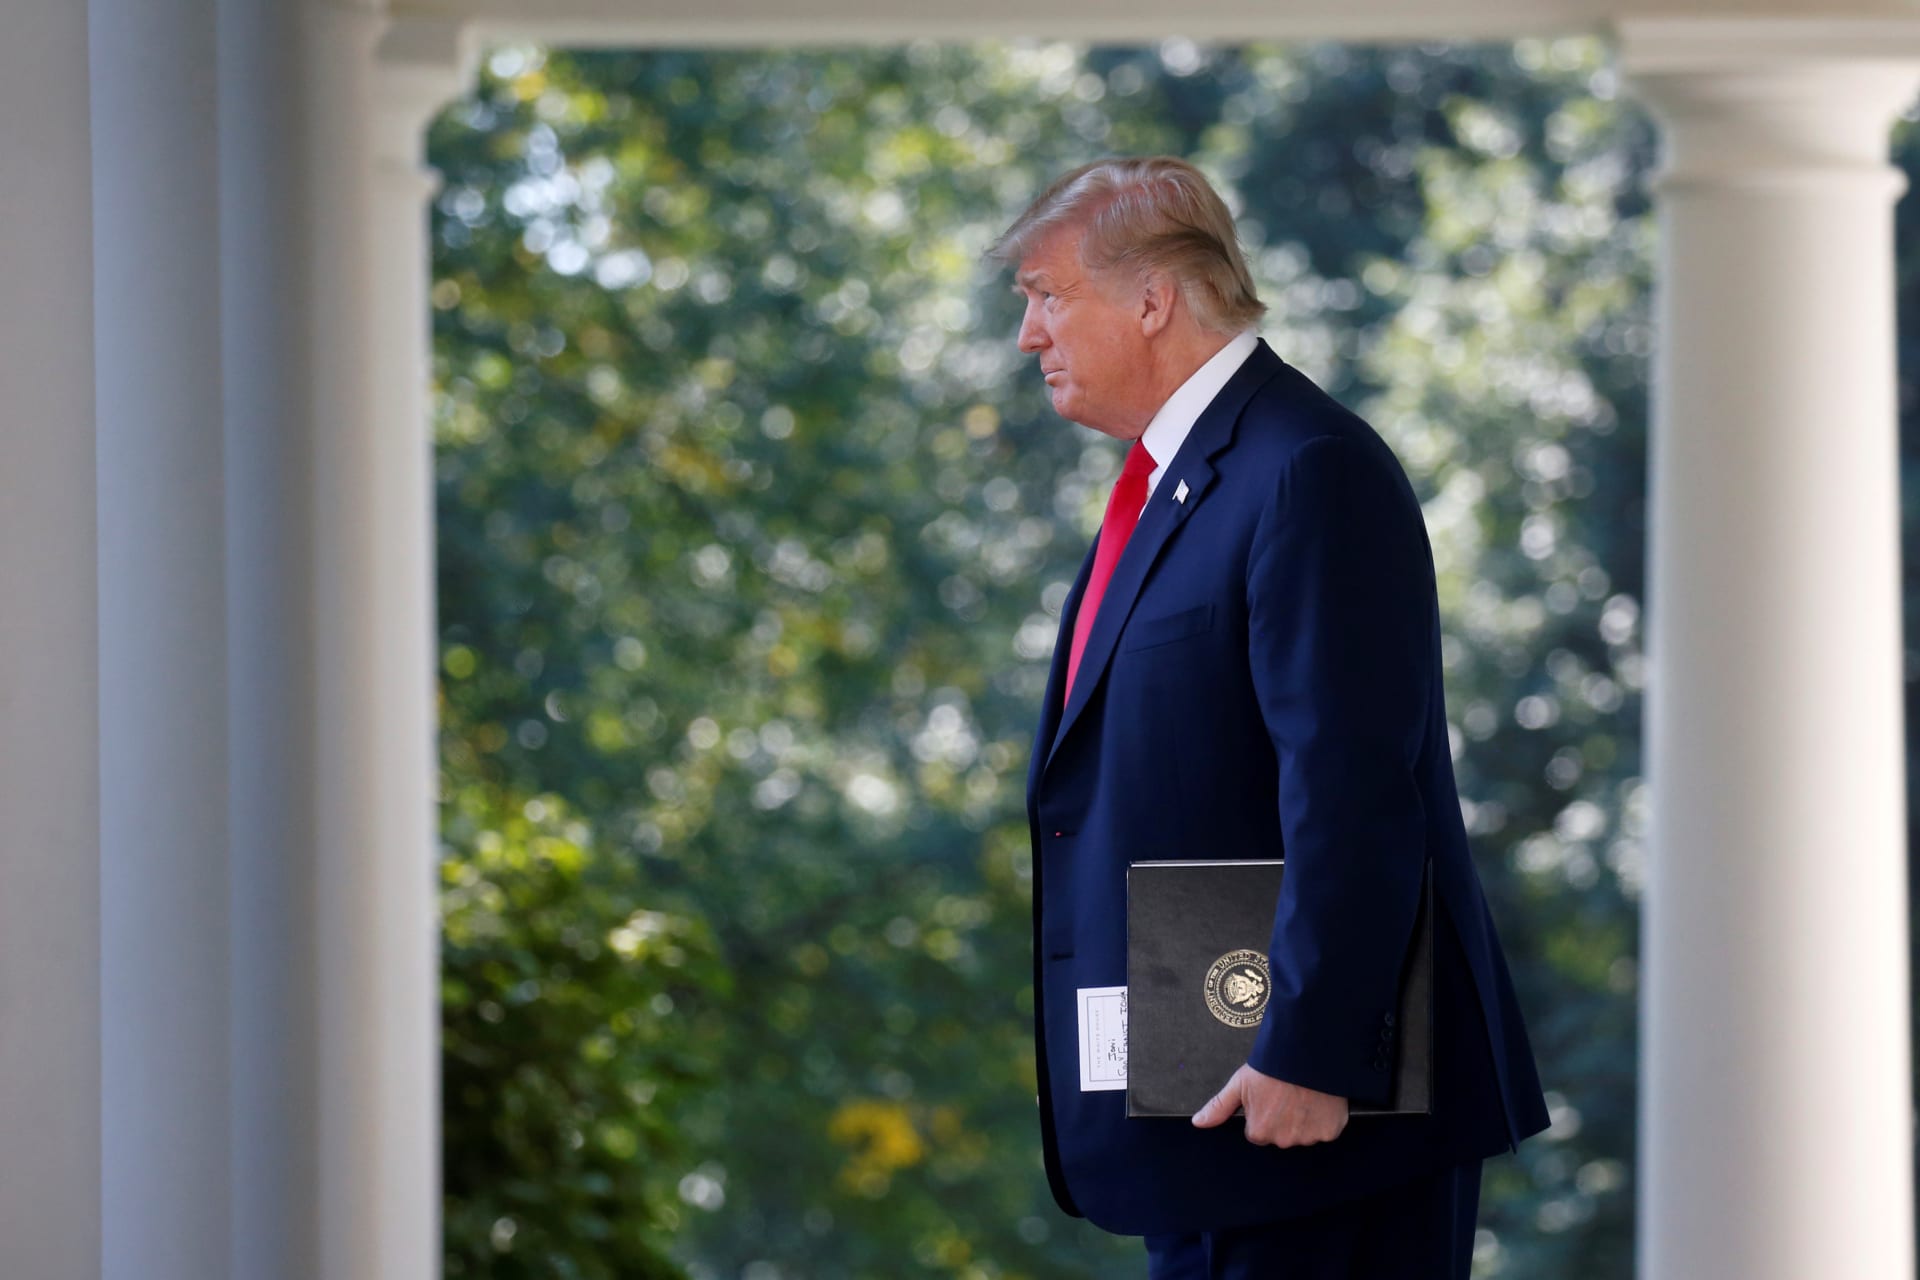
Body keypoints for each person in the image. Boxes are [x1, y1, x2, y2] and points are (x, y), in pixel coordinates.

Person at [992, 156, 1550, 1279]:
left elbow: (1352, 789)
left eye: (1048, 294)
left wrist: (1312, 1051)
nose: (1028, 334)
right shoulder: (1179, 482)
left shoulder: (1308, 469)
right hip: (1206, 1107)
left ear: (1153, 298)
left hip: (1317, 1121)